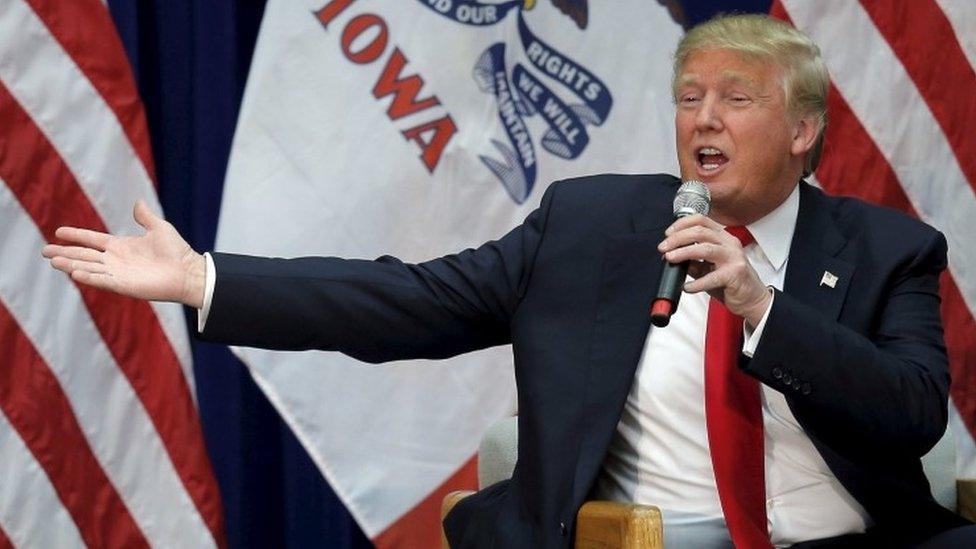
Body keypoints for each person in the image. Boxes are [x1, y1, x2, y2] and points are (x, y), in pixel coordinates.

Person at [42, 13, 973, 549]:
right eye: (690, 96)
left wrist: (762, 309)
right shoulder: (594, 225)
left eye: (737, 98)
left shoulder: (889, 247)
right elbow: (409, 300)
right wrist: (204, 277)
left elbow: (912, 411)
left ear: (804, 130)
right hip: (645, 540)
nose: (704, 117)